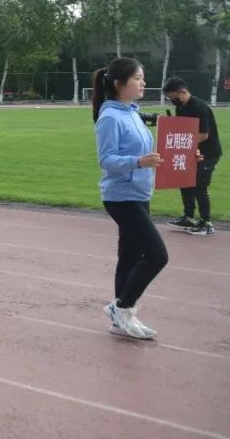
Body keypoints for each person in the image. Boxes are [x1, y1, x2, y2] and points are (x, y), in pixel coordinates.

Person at [93, 58, 167, 340]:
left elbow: (149, 153)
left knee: (130, 255)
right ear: (118, 83)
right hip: (121, 197)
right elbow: (106, 159)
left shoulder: (132, 113)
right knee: (157, 255)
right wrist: (138, 162)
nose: (143, 83)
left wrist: (184, 157)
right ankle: (122, 307)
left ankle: (120, 318)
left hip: (139, 192)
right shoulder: (110, 117)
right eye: (137, 78)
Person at [162, 77, 221, 236]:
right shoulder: (181, 107)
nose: (172, 100)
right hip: (190, 150)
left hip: (207, 153)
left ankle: (206, 223)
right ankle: (188, 217)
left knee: (199, 186)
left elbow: (203, 135)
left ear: (183, 91)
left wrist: (182, 141)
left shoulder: (200, 107)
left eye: (173, 97)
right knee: (184, 182)